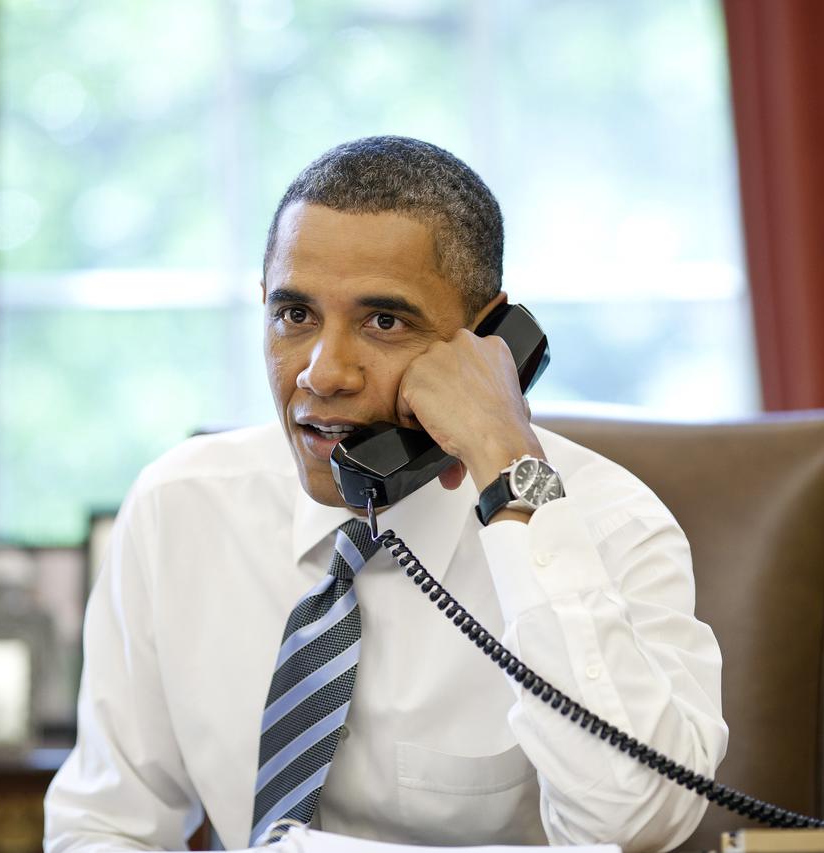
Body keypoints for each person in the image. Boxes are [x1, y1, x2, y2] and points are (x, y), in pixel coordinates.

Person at [44, 136, 726, 852]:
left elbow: (636, 825)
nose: (323, 372)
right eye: (295, 315)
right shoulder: (177, 509)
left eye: (384, 322)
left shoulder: (614, 529)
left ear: (487, 341)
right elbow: (103, 825)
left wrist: (506, 463)